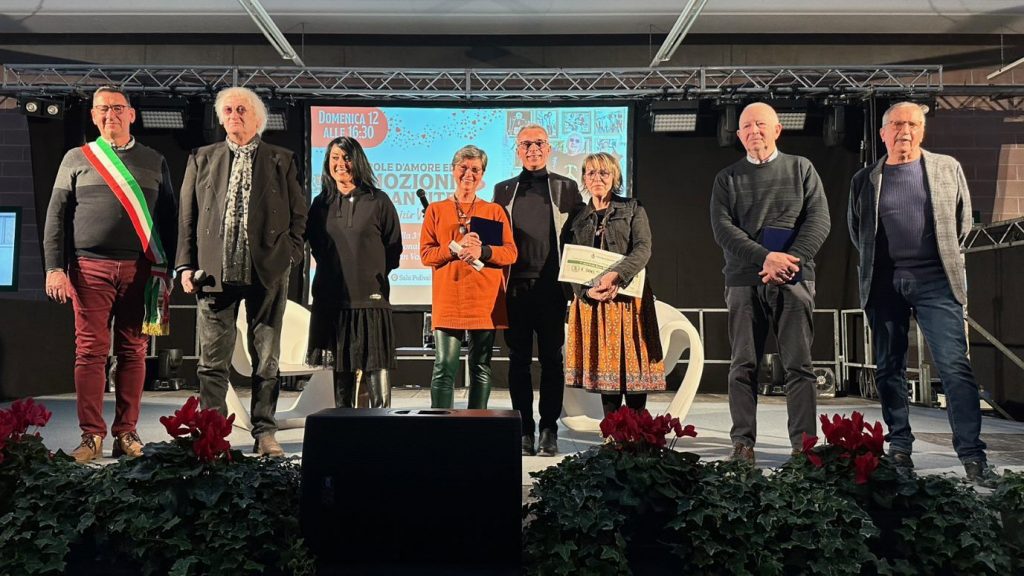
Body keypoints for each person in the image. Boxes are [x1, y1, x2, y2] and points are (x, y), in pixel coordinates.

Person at [848, 101, 998, 486]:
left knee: (954, 367)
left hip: (936, 280)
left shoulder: (947, 168)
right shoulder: (865, 180)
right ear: (883, 133)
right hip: (885, 283)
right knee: (889, 368)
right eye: (898, 124)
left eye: (913, 124)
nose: (905, 131)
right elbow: (858, 232)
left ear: (923, 130)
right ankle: (899, 448)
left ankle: (973, 456)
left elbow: (961, 224)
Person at [43, 85, 177, 462]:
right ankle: (91, 436)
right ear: (93, 116)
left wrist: (168, 270)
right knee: (90, 352)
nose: (110, 114)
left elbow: (169, 219)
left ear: (131, 114)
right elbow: (56, 216)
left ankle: (126, 433)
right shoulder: (76, 158)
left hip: (142, 270)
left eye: (117, 108)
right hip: (88, 269)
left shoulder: (154, 160)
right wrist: (54, 268)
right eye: (102, 109)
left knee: (134, 351)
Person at [176, 86, 307, 458]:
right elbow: (187, 216)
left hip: (266, 270)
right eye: (229, 110)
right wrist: (185, 264)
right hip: (213, 273)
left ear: (258, 119)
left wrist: (290, 254)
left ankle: (265, 432)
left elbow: (298, 214)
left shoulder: (282, 159)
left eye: (242, 110)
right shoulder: (202, 158)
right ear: (221, 118)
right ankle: (213, 435)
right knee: (211, 362)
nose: (235, 116)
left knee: (266, 360)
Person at [710, 102, 831, 465]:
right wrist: (766, 258)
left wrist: (788, 261)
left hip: (794, 277)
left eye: (761, 125)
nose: (754, 132)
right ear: (738, 135)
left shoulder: (801, 168)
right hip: (743, 281)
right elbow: (723, 229)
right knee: (742, 365)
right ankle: (742, 444)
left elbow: (819, 220)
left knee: (799, 366)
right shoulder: (727, 178)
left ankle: (803, 446)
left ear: (777, 129)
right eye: (747, 127)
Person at [494, 123, 583, 457]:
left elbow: (578, 235)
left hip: (552, 290)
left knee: (552, 362)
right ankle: (523, 430)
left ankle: (548, 430)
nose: (532, 149)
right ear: (517, 150)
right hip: (514, 289)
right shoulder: (503, 190)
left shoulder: (566, 186)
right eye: (526, 144)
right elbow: (494, 238)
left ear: (549, 148)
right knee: (518, 361)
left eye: (539, 143)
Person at [563, 153, 665, 414]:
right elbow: (568, 261)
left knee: (633, 371)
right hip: (594, 303)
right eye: (591, 173)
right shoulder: (577, 217)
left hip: (629, 301)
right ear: (584, 178)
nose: (597, 178)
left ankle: (637, 434)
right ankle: (613, 434)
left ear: (615, 177)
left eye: (604, 173)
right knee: (605, 374)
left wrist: (616, 275)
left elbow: (643, 248)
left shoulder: (633, 208)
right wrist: (587, 293)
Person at [306, 136, 402, 408]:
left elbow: (394, 248)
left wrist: (370, 273)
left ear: (357, 161)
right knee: (341, 369)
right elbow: (316, 246)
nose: (341, 164)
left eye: (346, 158)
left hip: (370, 298)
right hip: (333, 299)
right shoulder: (320, 204)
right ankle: (343, 424)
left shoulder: (378, 200)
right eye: (335, 158)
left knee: (376, 365)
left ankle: (382, 424)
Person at [420, 145, 517, 410]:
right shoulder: (436, 210)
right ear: (453, 170)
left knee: (481, 367)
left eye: (475, 169)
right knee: (444, 367)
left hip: (484, 300)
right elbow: (426, 255)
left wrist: (482, 251)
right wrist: (455, 248)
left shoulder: (494, 211)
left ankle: (477, 425)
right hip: (449, 298)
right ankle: (441, 426)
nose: (468, 174)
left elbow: (510, 253)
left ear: (482, 174)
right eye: (463, 168)